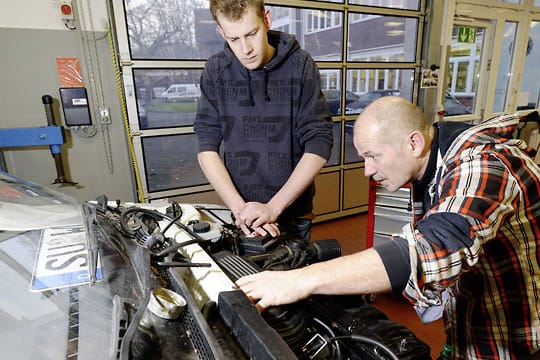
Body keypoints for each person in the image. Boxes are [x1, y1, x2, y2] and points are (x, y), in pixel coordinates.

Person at [237, 96, 540, 359]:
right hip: (474, 326)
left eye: (372, 156)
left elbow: (433, 248)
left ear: (414, 142)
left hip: (521, 340)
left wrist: (299, 281)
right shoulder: (434, 166)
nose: (367, 170)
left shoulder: (483, 164)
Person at [193, 0, 333, 242]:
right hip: (240, 213)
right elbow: (206, 145)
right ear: (220, 32)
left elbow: (319, 141)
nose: (245, 49)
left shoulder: (300, 65)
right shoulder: (216, 70)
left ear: (266, 20)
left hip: (293, 214)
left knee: (293, 276)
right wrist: (240, 210)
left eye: (251, 33)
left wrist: (272, 208)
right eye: (234, 39)